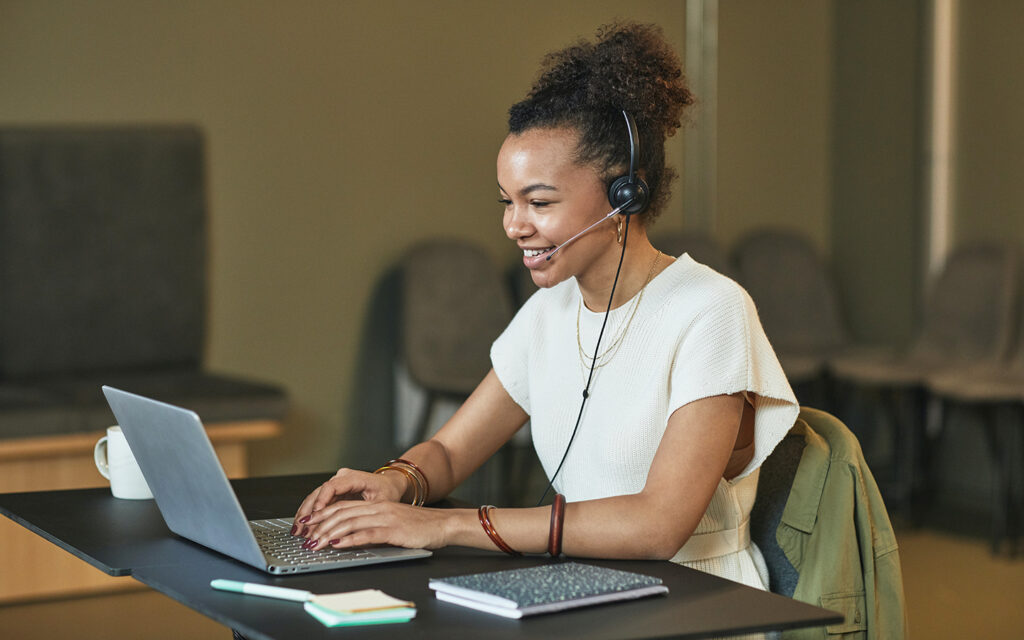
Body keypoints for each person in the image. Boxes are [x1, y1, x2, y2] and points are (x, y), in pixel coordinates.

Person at [292, 21, 798, 591]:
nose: (514, 225)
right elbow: (449, 452)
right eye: (508, 202)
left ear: (624, 194)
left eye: (539, 202)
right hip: (582, 588)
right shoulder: (548, 312)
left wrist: (444, 526)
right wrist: (395, 484)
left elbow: (658, 527)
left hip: (697, 598)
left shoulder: (712, 311)